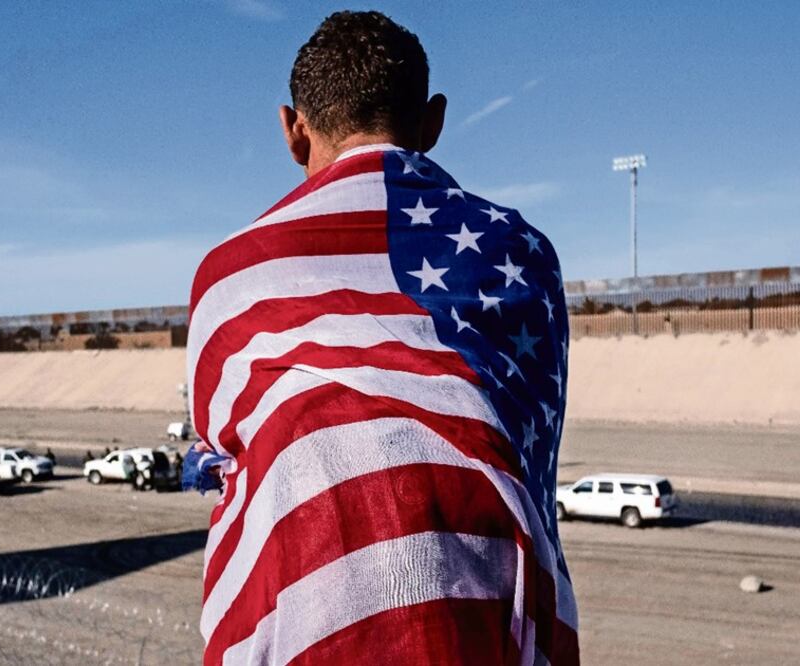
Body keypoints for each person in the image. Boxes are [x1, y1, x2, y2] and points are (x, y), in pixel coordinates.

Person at [187, 10, 578, 664]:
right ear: (432, 122)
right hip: (486, 623)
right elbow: (527, 450)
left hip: (306, 622)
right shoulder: (525, 255)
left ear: (292, 129)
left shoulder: (232, 274)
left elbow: (227, 450)